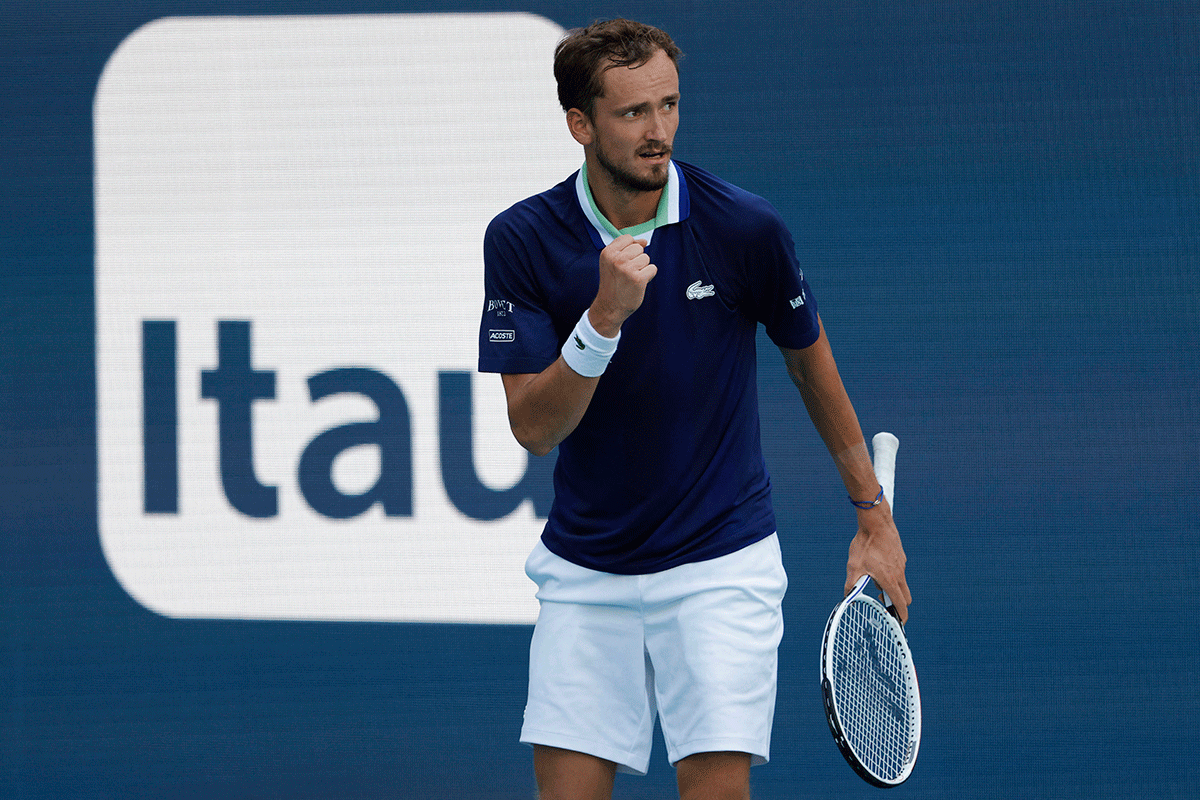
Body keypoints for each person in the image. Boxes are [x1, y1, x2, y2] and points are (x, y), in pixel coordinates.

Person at [477, 18, 910, 800]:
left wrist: (873, 518)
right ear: (580, 124)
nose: (659, 132)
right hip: (584, 569)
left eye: (670, 106)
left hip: (719, 564)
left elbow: (813, 369)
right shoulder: (522, 239)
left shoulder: (744, 227)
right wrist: (602, 320)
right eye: (633, 113)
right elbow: (534, 429)